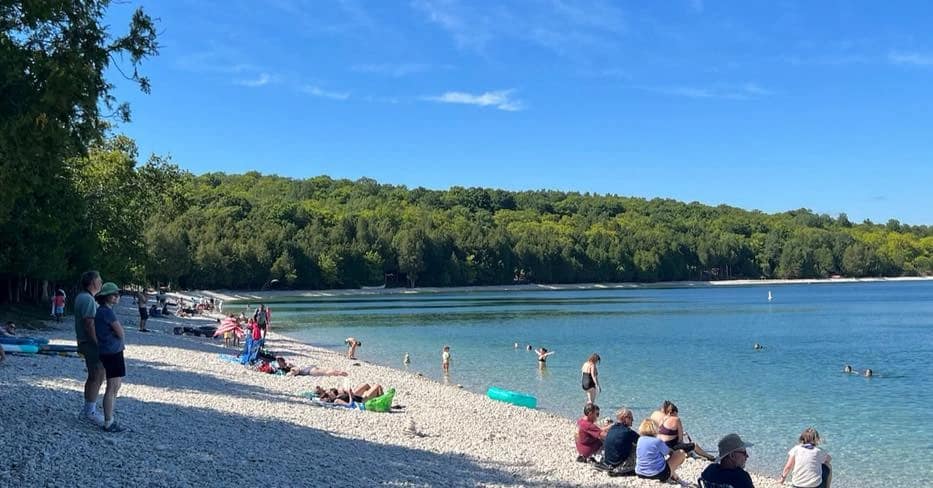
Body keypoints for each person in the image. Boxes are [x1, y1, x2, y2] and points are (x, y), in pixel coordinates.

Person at [94, 282, 127, 432]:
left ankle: (110, 418)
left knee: (115, 385)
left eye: (117, 294)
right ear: (107, 297)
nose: (117, 297)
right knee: (112, 387)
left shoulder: (101, 311)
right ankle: (108, 421)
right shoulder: (107, 312)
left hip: (109, 351)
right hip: (112, 352)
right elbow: (120, 333)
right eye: (114, 294)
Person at [75, 270, 105, 426]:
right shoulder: (87, 299)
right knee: (96, 374)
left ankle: (89, 409)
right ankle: (89, 412)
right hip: (90, 343)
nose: (101, 283)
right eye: (99, 280)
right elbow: (89, 324)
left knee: (96, 375)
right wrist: (97, 344)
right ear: (93, 282)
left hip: (86, 342)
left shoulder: (84, 297)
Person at [652, 401, 716, 461]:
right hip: (669, 446)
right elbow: (680, 440)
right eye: (676, 414)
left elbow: (664, 433)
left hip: (661, 445)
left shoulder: (662, 419)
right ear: (673, 412)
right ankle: (709, 457)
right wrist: (686, 447)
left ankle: (688, 453)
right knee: (694, 445)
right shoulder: (677, 419)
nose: (677, 416)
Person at [635, 418, 686, 483]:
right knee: (680, 453)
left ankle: (674, 475)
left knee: (659, 460)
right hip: (657, 474)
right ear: (654, 428)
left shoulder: (640, 439)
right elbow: (667, 452)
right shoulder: (657, 441)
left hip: (640, 473)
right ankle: (672, 474)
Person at [601, 408, 639, 473]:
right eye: (631, 418)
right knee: (637, 446)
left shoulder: (612, 429)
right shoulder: (628, 432)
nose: (633, 420)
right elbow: (641, 441)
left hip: (607, 461)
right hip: (618, 464)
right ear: (624, 418)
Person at [275, 357, 348, 376]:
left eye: (279, 362)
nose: (279, 364)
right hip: (307, 368)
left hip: (307, 371)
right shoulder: (286, 365)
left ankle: (339, 373)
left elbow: (296, 370)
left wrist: (291, 373)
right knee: (325, 370)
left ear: (282, 361)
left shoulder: (288, 365)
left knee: (325, 373)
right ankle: (338, 372)